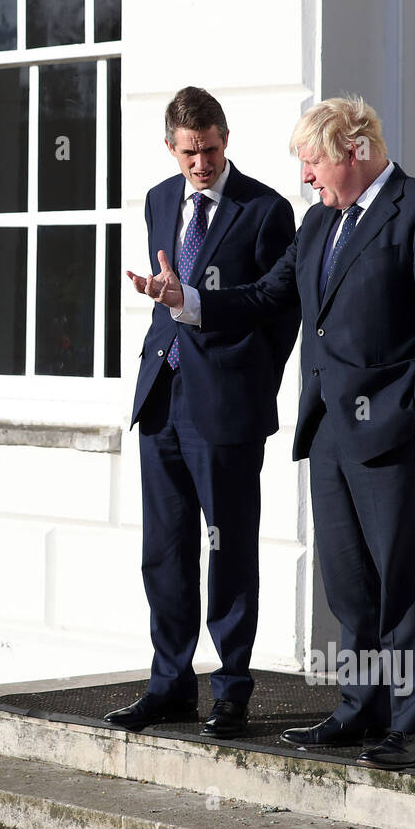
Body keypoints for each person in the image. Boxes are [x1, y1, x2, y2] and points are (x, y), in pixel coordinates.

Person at [132, 96, 415, 769]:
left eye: (314, 163)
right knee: (349, 583)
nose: (308, 179)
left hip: (394, 431)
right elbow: (266, 295)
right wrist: (187, 302)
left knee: (403, 580)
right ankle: (359, 708)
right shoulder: (321, 224)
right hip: (328, 431)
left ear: (355, 150)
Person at [104, 87, 298, 740]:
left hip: (227, 409)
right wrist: (167, 296)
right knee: (165, 550)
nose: (202, 164)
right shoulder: (160, 200)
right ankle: (169, 684)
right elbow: (170, 292)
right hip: (161, 395)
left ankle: (234, 690)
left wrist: (252, 387)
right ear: (171, 147)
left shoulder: (266, 209)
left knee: (231, 551)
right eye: (190, 153)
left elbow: (279, 306)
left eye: (211, 150)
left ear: (225, 139)